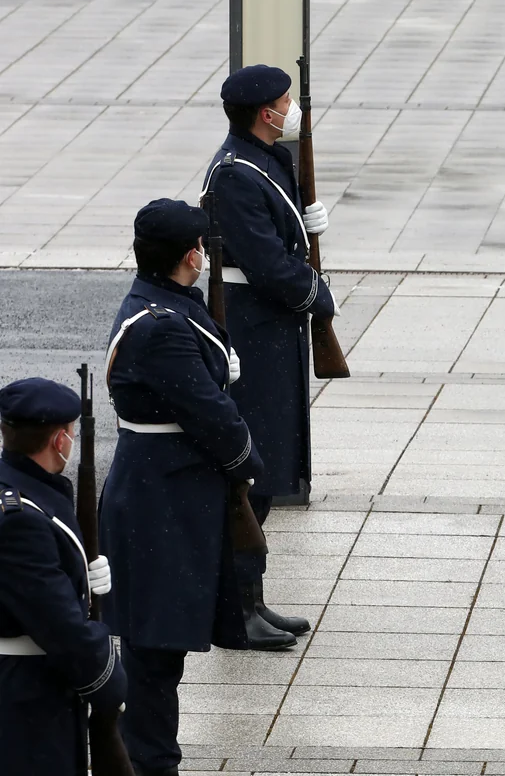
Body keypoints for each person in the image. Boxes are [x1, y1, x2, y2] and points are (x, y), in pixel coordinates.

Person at [100, 199, 268, 775]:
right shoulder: (163, 327)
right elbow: (212, 415)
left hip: (164, 491)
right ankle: (149, 761)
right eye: (200, 246)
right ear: (189, 255)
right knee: (154, 650)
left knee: (161, 648)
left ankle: (148, 755)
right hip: (158, 499)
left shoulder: (167, 304)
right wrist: (248, 462)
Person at [202, 64, 335, 646]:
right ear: (266, 114)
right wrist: (318, 294)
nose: (293, 112)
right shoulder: (234, 173)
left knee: (266, 465)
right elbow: (266, 265)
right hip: (250, 327)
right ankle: (237, 610)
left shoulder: (264, 160)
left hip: (270, 330)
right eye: (286, 103)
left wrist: (307, 226)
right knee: (248, 472)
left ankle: (252, 597)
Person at [0, 378, 127, 776]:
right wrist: (108, 676)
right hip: (24, 694)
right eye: (71, 433)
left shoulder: (25, 487)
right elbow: (56, 623)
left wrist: (81, 579)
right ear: (59, 441)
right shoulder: (20, 518)